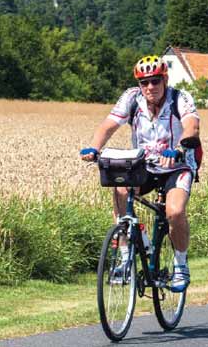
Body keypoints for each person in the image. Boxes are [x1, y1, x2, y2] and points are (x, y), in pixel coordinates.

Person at [80, 55, 200, 291]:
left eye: (155, 81)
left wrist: (179, 149)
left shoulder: (180, 98)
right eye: (144, 82)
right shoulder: (131, 98)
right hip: (143, 164)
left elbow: (192, 127)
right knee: (121, 188)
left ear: (164, 80)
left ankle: (180, 265)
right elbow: (108, 125)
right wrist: (94, 149)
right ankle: (126, 256)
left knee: (174, 212)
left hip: (176, 165)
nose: (150, 87)